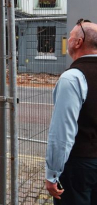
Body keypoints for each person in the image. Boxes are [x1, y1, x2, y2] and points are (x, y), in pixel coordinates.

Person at [46, 19, 97, 204]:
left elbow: (62, 133)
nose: (68, 40)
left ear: (78, 42)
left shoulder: (72, 78)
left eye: (70, 37)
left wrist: (52, 174)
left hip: (79, 166)